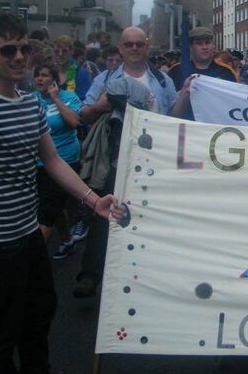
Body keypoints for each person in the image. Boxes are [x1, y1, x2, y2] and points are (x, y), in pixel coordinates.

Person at [0, 14, 120, 374]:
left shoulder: (30, 104)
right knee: (4, 329)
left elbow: (52, 160)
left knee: (39, 319)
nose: (20, 57)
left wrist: (93, 199)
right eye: (9, 50)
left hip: (30, 233)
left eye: (24, 48)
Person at [75, 26, 177, 299]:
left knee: (151, 217)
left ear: (147, 46)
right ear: (120, 48)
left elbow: (174, 115)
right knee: (105, 214)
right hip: (116, 157)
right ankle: (90, 274)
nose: (134, 48)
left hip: (155, 158)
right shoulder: (106, 78)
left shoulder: (163, 80)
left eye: (139, 44)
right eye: (128, 44)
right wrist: (101, 106)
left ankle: (147, 277)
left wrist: (188, 94)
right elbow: (83, 114)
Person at [31, 62, 83, 260]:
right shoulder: (31, 99)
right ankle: (68, 241)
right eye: (37, 75)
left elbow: (74, 122)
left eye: (44, 75)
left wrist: (55, 99)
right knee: (53, 206)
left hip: (65, 161)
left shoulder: (68, 97)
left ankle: (32, 264)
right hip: (38, 162)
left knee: (46, 213)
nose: (39, 79)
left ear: (54, 80)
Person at [169, 26, 236, 119]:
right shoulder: (176, 71)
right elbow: (168, 109)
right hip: (185, 125)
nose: (204, 47)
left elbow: (234, 103)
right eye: (199, 43)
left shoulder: (226, 72)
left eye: (207, 43)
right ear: (191, 47)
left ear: (213, 45)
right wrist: (183, 94)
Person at [52, 35, 92, 100]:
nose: (60, 54)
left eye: (64, 51)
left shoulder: (82, 73)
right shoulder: (50, 71)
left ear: (72, 51)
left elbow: (81, 98)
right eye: (56, 51)